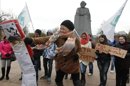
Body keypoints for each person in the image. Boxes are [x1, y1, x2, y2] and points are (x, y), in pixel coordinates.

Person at [24, 20, 81, 86]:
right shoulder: (57, 36)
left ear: (70, 30)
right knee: (58, 80)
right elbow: (45, 39)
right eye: (60, 28)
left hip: (73, 63)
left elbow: (80, 49)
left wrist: (77, 55)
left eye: (63, 28)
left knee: (76, 81)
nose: (61, 30)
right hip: (61, 63)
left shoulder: (75, 38)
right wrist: (32, 40)